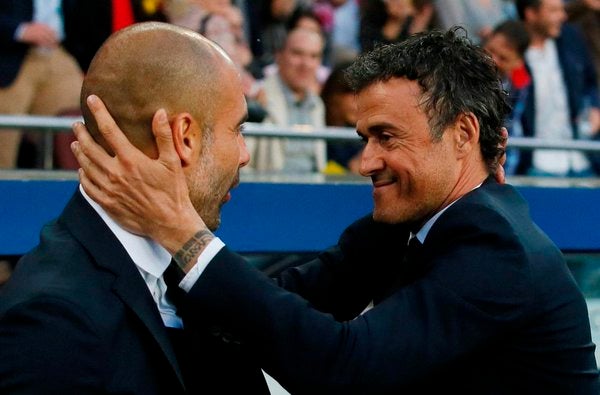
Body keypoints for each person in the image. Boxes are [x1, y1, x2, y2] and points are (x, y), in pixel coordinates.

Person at [72, 28, 599, 393]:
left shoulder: (495, 244)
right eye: (364, 137)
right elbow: (289, 300)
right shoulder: (406, 223)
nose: (366, 161)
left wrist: (181, 231)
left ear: (462, 135)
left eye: (386, 137)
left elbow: (344, 368)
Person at [0, 22, 270, 394]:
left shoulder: (180, 274)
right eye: (237, 129)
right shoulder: (53, 320)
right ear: (184, 137)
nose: (244, 155)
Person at [516, 0, 600, 176]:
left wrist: (595, 108)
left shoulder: (570, 38)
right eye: (554, 10)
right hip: (535, 164)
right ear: (531, 13)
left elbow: (590, 81)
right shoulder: (513, 51)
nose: (563, 16)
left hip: (580, 159)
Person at [0, 0, 83, 168]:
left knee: (83, 121)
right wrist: (20, 30)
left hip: (57, 53)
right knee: (5, 139)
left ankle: (78, 189)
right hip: (9, 57)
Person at [246, 27, 328, 173]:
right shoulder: (256, 98)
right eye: (297, 53)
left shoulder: (318, 105)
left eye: (313, 56)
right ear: (279, 56)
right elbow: (242, 165)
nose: (305, 64)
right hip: (270, 191)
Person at [483, 19, 532, 175]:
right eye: (490, 50)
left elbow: (507, 127)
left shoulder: (520, 84)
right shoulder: (462, 69)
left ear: (518, 62)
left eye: (503, 58)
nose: (493, 60)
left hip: (505, 166)